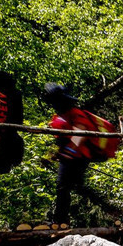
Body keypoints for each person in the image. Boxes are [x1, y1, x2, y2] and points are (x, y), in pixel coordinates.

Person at [45, 83, 98, 225]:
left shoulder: (75, 113)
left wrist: (69, 152)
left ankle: (60, 220)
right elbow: (61, 140)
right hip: (69, 156)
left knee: (65, 187)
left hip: (77, 157)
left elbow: (80, 132)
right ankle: (60, 219)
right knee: (71, 187)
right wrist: (52, 156)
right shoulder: (60, 115)